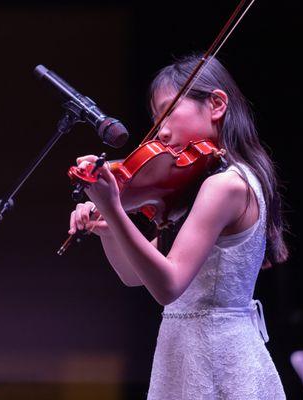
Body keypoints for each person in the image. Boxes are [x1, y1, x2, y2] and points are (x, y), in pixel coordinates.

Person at [68, 53, 288, 399]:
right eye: (156, 119)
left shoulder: (225, 186)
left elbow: (168, 285)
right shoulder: (197, 188)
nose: (162, 132)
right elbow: (135, 275)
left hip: (217, 358)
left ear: (216, 104)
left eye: (168, 112)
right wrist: (111, 223)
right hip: (186, 353)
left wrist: (112, 205)